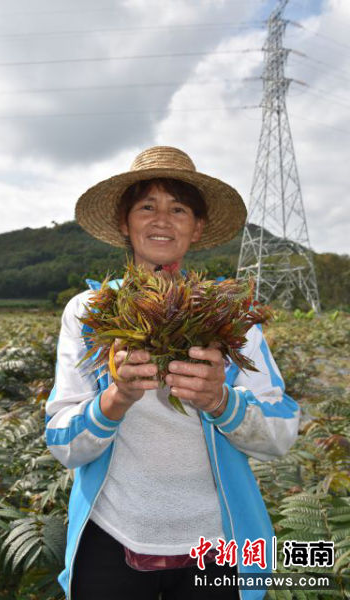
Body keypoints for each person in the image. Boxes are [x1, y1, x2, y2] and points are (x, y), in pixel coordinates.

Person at [45, 146, 300, 600]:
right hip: (113, 533)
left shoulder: (229, 315)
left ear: (197, 227)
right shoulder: (89, 313)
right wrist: (115, 399)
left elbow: (280, 432)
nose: (162, 220)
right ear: (126, 223)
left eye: (178, 208)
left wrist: (221, 400)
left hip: (216, 542)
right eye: (147, 206)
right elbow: (63, 441)